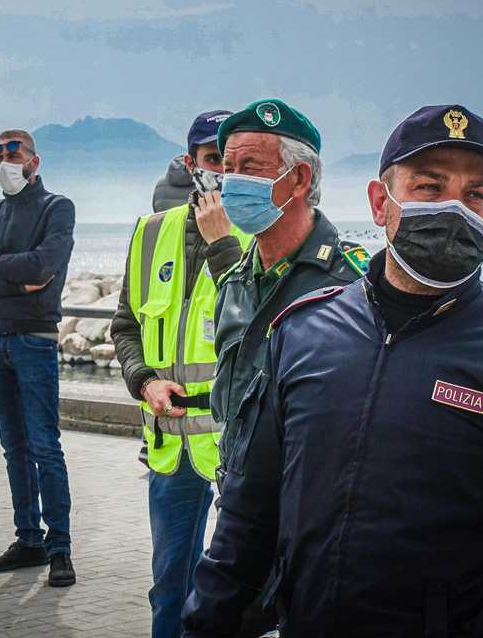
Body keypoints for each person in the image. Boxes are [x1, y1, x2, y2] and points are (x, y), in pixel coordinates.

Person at [182, 105, 483, 638]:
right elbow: (250, 509)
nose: (455, 207)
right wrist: (205, 622)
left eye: (476, 194)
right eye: (429, 187)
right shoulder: (304, 330)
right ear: (381, 203)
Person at [203, 98, 369, 637]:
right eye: (226, 167)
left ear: (298, 179)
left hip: (318, 523)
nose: (230, 183)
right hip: (239, 509)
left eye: (248, 168)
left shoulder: (354, 284)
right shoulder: (237, 281)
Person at [110, 110, 251, 638]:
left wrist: (222, 243)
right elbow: (125, 326)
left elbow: (263, 324)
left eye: (233, 161)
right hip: (171, 446)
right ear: (191, 163)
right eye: (213, 160)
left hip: (238, 445)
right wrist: (143, 381)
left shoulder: (263, 232)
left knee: (245, 592)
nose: (222, 172)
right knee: (170, 587)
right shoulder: (149, 234)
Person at [0, 128, 78, 588]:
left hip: (34, 340)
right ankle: (28, 540)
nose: (5, 159)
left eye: (14, 152)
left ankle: (60, 549)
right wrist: (8, 277)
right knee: (15, 448)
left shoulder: (57, 208)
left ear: (35, 160)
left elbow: (43, 266)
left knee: (45, 447)